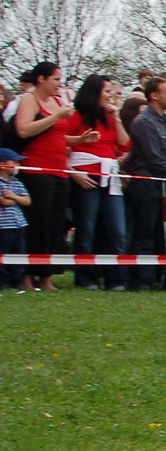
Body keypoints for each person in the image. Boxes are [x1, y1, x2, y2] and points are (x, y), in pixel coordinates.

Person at [11, 62, 91, 291]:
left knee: (56, 225)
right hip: (37, 170)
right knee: (38, 223)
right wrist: (56, 116)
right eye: (56, 79)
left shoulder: (57, 102)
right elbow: (24, 130)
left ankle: (46, 275)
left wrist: (79, 141)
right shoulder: (29, 99)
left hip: (59, 170)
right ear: (41, 79)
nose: (59, 84)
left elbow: (57, 134)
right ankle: (26, 275)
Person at [66, 75, 131, 291]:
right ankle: (87, 279)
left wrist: (118, 118)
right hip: (86, 176)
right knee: (86, 229)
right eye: (107, 92)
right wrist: (74, 173)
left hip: (109, 177)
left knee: (118, 231)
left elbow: (125, 146)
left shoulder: (110, 117)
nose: (111, 96)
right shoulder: (76, 116)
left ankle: (117, 279)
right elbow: (61, 144)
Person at [125, 76, 166, 290]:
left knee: (157, 234)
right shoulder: (144, 122)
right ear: (154, 96)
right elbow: (153, 158)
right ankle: (140, 279)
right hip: (145, 183)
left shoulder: (163, 120)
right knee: (143, 233)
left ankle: (154, 276)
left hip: (159, 183)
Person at [0, 148, 30, 292]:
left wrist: (12, 197)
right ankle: (3, 282)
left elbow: (27, 200)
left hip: (19, 224)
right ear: (2, 164)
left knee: (19, 253)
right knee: (3, 255)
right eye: (14, 162)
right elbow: (3, 202)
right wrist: (16, 199)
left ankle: (16, 281)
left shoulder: (17, 183)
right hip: (3, 226)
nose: (17, 166)